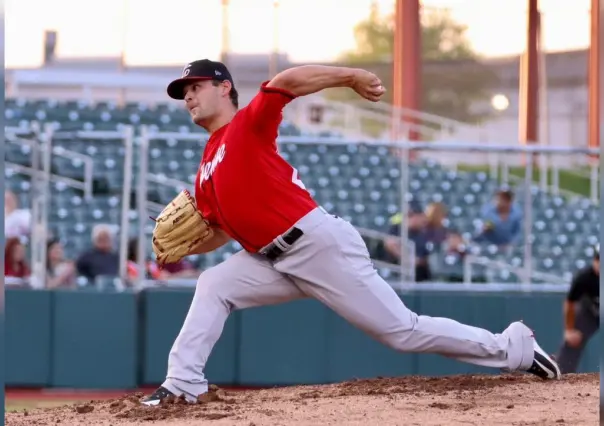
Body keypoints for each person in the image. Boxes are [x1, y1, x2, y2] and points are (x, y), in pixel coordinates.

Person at [141, 59, 560, 406]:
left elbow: (286, 83)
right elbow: (218, 228)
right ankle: (183, 382)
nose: (189, 97)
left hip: (318, 245)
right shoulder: (206, 164)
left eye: (194, 87)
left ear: (224, 87)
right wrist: (183, 249)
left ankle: (512, 347)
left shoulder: (247, 124)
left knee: (402, 331)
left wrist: (351, 76)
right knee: (214, 283)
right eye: (184, 93)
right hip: (269, 259)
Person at [556, 244, 599, 374]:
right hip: (592, 311)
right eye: (598, 259)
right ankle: (561, 372)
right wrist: (569, 330)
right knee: (574, 338)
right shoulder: (585, 278)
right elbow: (570, 303)